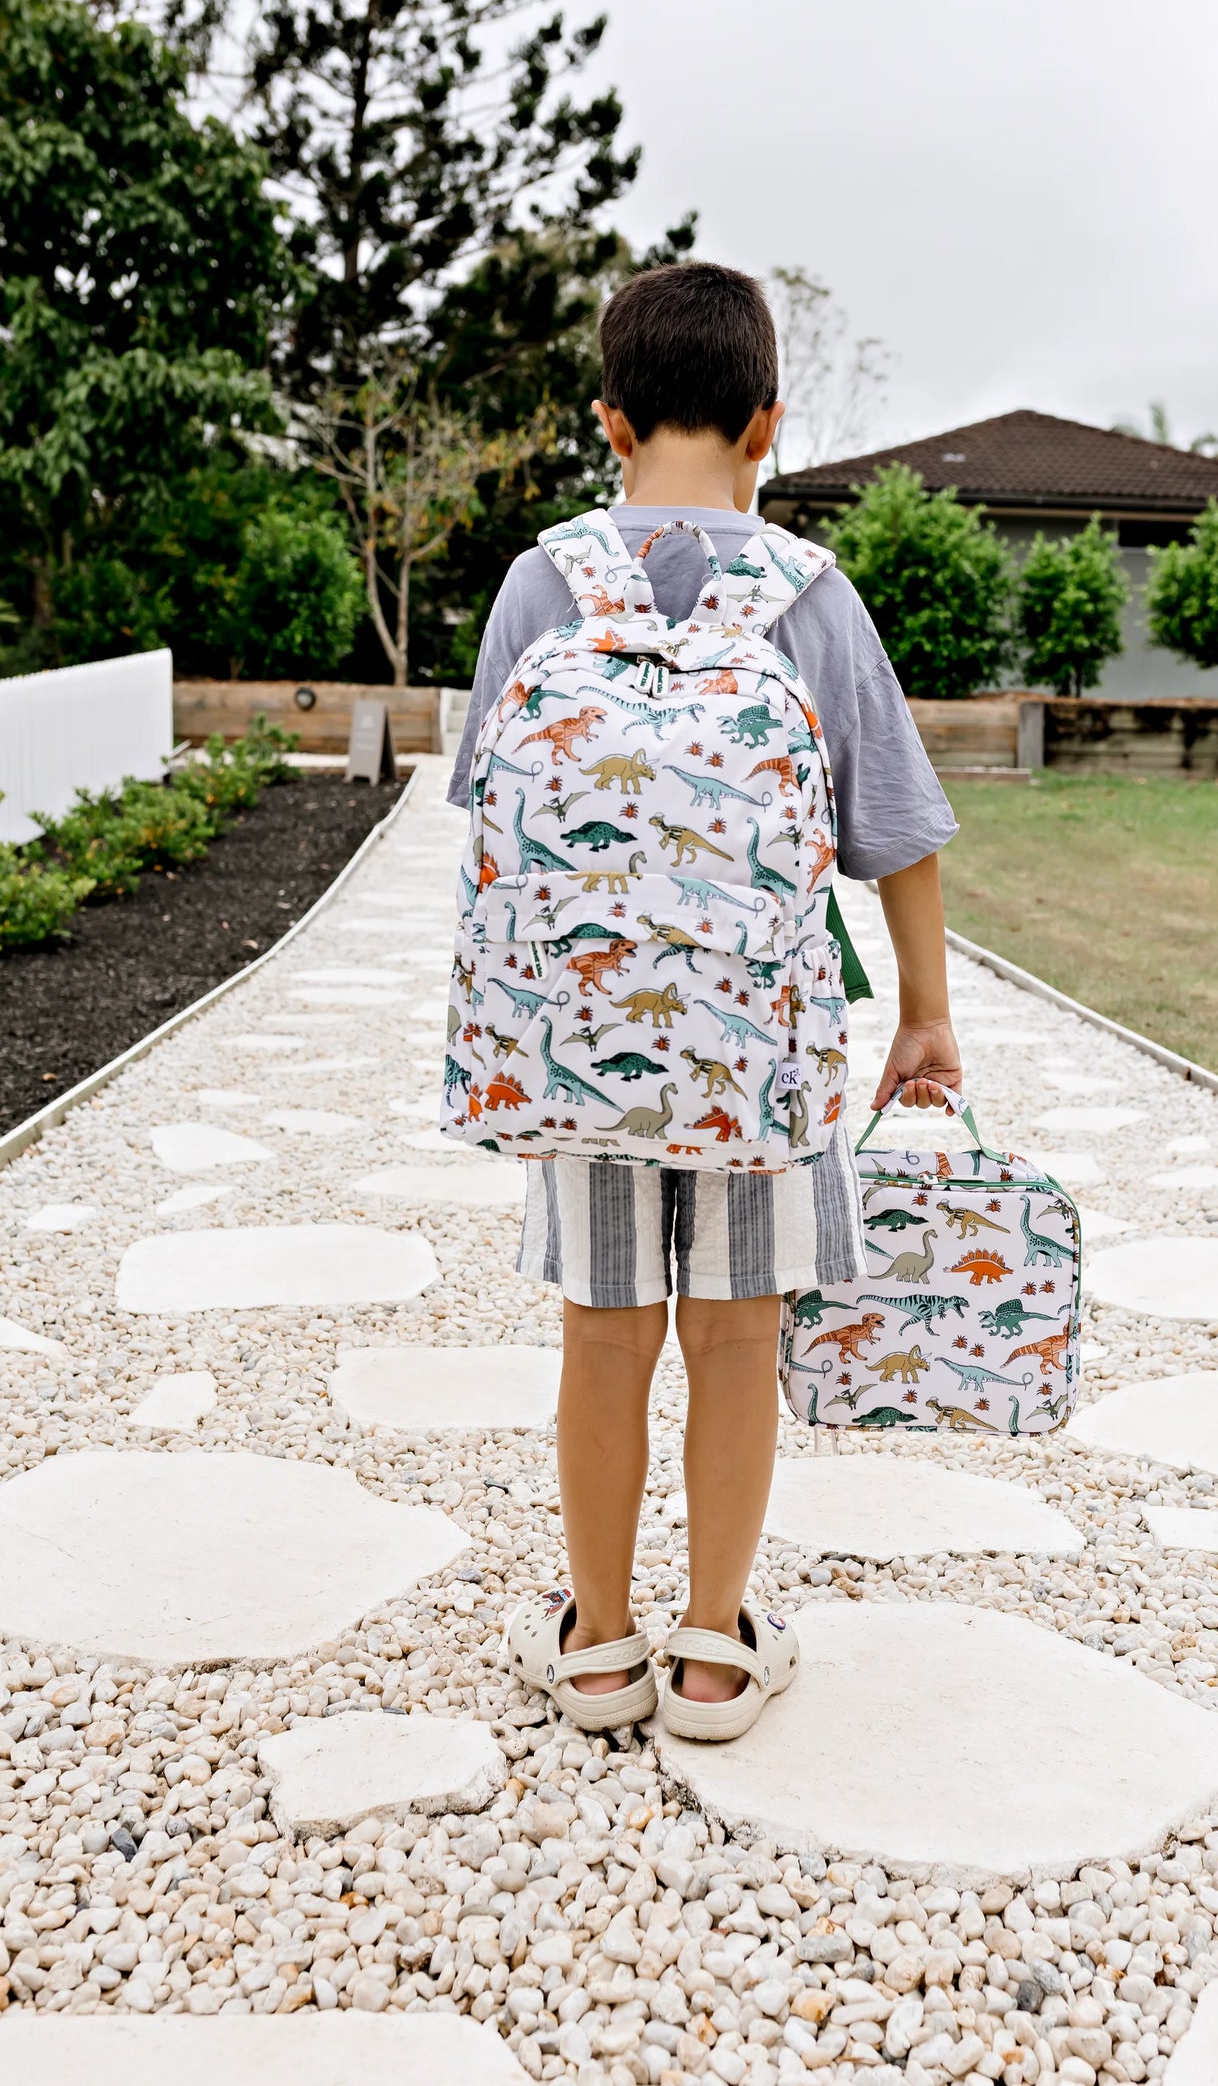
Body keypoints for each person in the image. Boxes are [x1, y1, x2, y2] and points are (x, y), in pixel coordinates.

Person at [447, 261, 961, 1740]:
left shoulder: (543, 582)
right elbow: (896, 829)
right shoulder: (806, 588)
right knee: (737, 1333)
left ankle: (600, 1646)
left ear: (608, 421)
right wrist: (923, 1016)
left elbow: (489, 804)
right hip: (757, 1051)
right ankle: (717, 1648)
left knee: (601, 1334)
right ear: (768, 423)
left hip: (584, 1048)